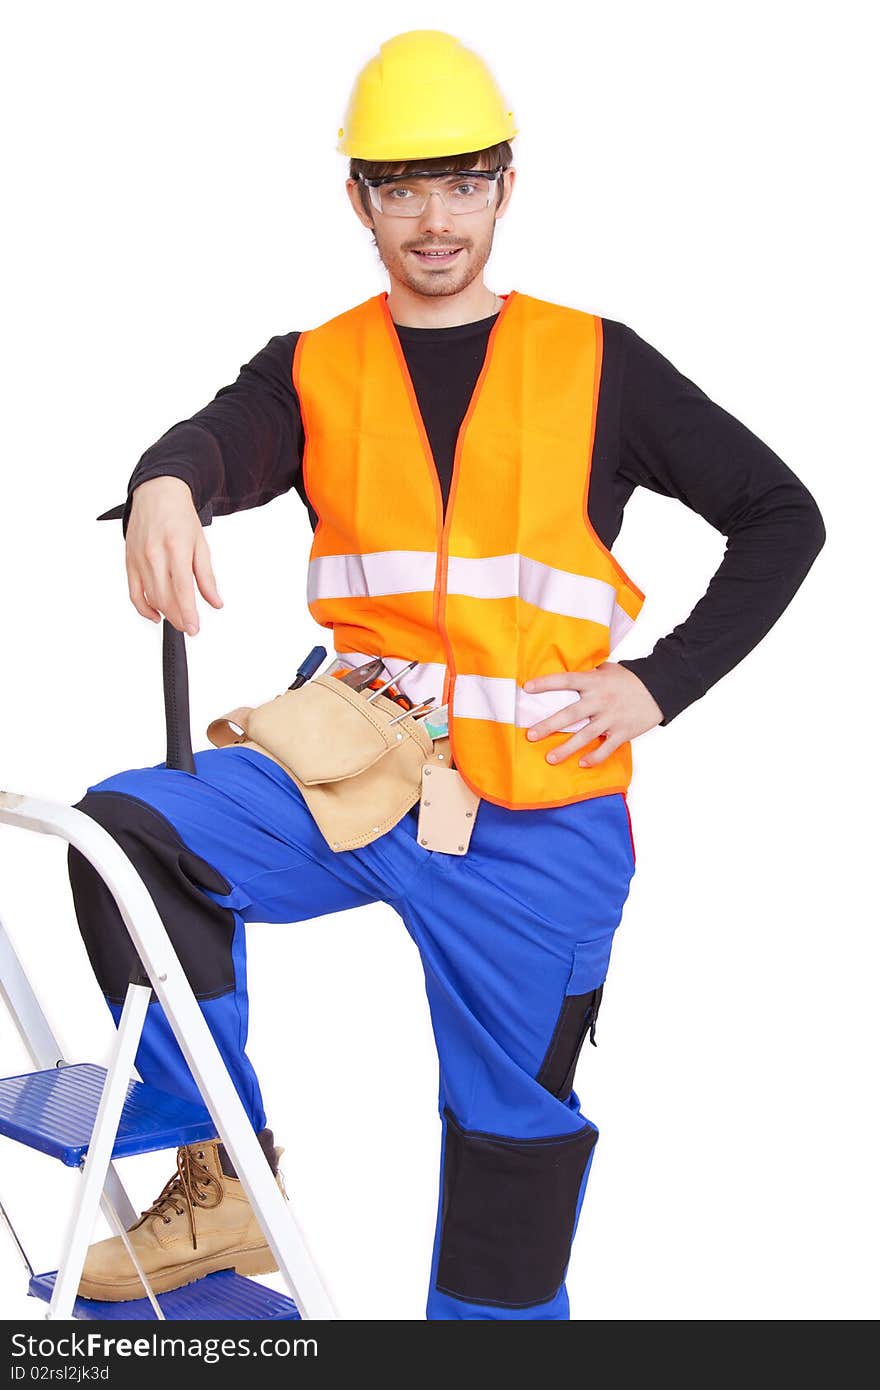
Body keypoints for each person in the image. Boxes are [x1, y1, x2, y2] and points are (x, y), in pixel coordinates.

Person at [67, 29, 825, 1318]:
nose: (433, 218)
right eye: (402, 187)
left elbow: (782, 514)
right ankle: (218, 1171)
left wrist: (657, 684)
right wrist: (165, 480)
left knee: (510, 1163)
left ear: (505, 187)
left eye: (463, 183)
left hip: (540, 820)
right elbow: (221, 438)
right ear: (358, 198)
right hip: (351, 772)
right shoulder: (313, 365)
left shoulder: (599, 363)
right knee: (130, 837)